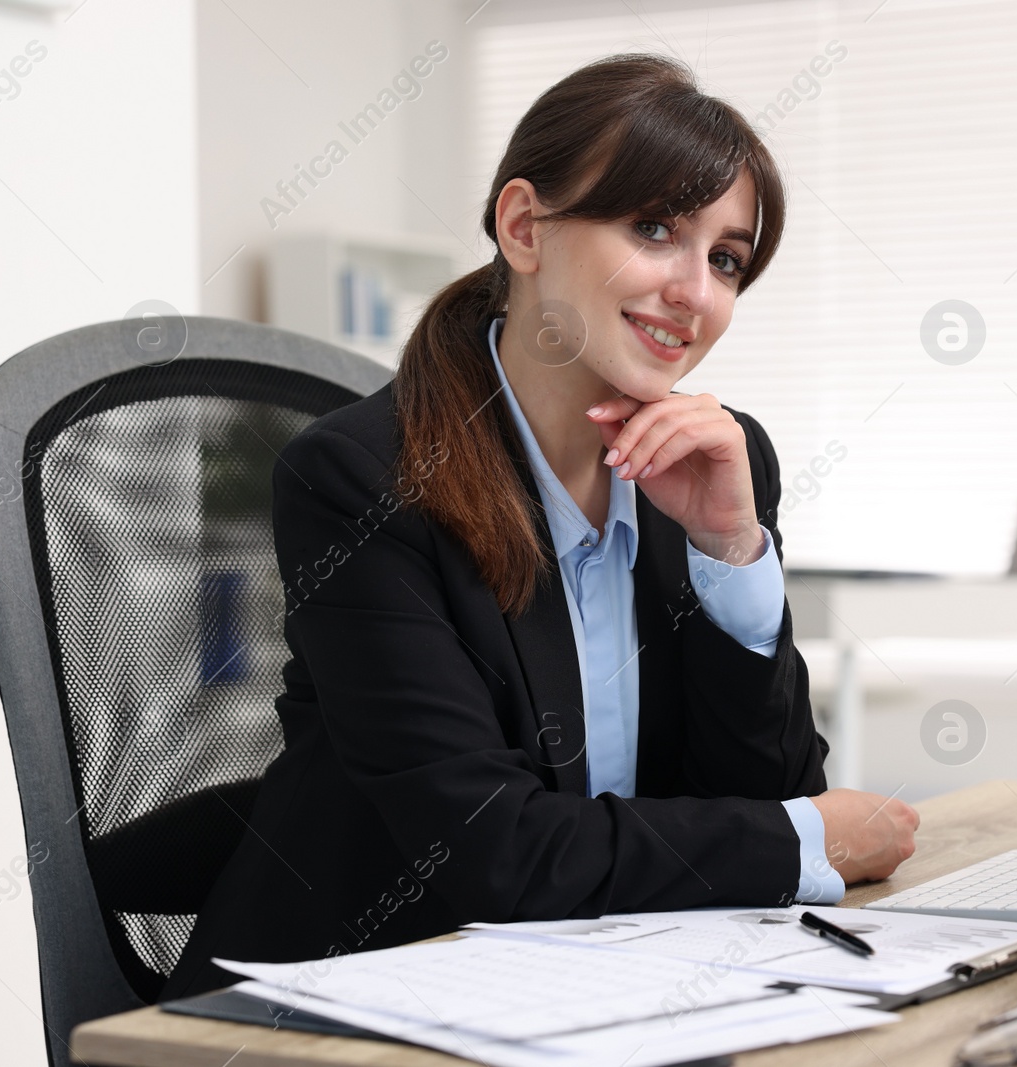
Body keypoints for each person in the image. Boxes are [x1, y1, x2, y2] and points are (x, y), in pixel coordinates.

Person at [162, 53, 918, 1000]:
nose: (695, 291)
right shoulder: (364, 481)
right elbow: (498, 852)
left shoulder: (718, 461)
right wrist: (809, 837)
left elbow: (763, 786)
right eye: (653, 228)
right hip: (363, 997)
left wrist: (734, 551)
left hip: (603, 986)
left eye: (725, 258)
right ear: (524, 227)